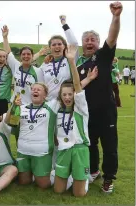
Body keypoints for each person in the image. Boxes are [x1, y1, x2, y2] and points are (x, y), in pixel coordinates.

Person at [76, 1, 123, 193]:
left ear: (98, 42)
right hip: (87, 113)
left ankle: (108, 178)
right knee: (90, 144)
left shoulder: (103, 56)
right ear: (82, 43)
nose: (89, 42)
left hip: (106, 112)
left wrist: (116, 16)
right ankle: (94, 170)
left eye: (92, 40)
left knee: (109, 147)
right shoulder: (77, 64)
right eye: (86, 40)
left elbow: (112, 36)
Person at [53, 45, 95, 197]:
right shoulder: (58, 110)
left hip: (79, 150)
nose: (67, 97)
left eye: (70, 94)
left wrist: (71, 61)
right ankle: (70, 176)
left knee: (79, 195)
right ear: (61, 96)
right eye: (64, 95)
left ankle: (82, 179)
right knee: (58, 191)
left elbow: (77, 85)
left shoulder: (81, 109)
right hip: (64, 150)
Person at [11, 82, 59, 189]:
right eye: (33, 89)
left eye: (39, 89)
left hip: (42, 152)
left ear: (45, 95)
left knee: (43, 185)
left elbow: (69, 91)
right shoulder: (21, 107)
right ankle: (34, 171)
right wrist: (13, 107)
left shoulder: (51, 106)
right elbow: (9, 122)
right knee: (24, 182)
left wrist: (88, 79)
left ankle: (56, 174)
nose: (35, 91)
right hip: (23, 151)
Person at [38, 15, 79, 100]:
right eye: (54, 45)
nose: (57, 47)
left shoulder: (70, 60)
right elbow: (41, 85)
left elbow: (74, 43)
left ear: (64, 46)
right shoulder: (45, 64)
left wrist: (64, 23)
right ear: (50, 48)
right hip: (49, 104)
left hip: (66, 102)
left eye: (60, 44)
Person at [2, 25, 43, 105]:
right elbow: (8, 53)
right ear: (20, 56)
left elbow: (41, 90)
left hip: (30, 106)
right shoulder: (16, 66)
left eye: (28, 54)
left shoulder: (38, 71)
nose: (26, 56)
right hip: (15, 104)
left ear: (32, 56)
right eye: (23, 54)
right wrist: (5, 38)